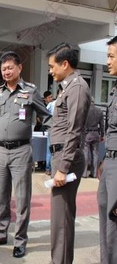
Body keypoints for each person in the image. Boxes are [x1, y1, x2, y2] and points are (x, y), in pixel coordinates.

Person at [0, 51, 51, 258]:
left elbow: (46, 116)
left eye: (10, 68)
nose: (6, 72)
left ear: (19, 68)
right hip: (0, 151)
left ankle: (20, 240)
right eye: (3, 69)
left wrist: (58, 136)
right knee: (1, 197)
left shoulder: (31, 91)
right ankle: (1, 233)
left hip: (22, 151)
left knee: (22, 199)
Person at [47, 42, 91, 264]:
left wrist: (63, 168)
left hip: (68, 159)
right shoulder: (68, 86)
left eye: (53, 66)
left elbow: (75, 129)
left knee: (62, 220)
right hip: (61, 156)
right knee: (58, 219)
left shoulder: (77, 88)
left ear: (65, 64)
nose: (50, 70)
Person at [98, 36, 117, 264]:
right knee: (105, 216)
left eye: (111, 56)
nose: (108, 62)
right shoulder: (114, 90)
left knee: (114, 221)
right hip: (110, 160)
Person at [83, 97, 104, 178]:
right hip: (95, 133)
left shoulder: (85, 110)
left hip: (86, 133)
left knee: (85, 153)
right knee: (95, 154)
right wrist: (102, 135)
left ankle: (84, 173)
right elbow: (102, 124)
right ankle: (94, 173)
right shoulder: (99, 111)